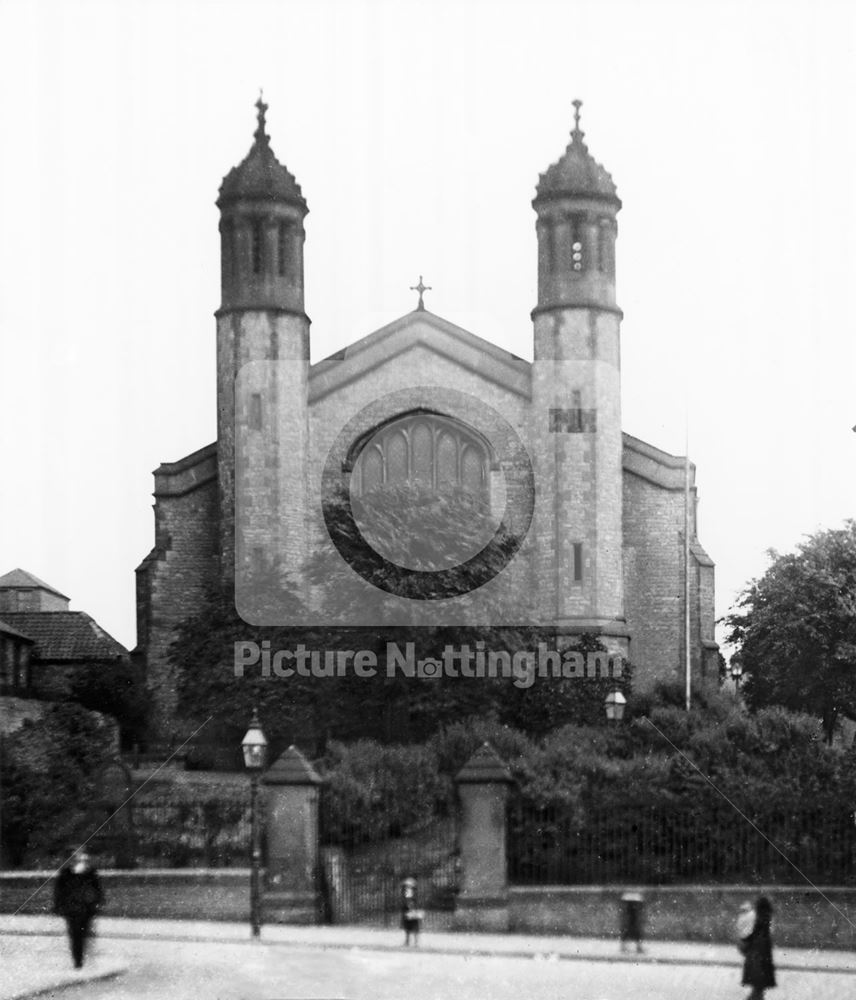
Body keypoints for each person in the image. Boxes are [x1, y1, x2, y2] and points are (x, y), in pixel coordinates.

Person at [53, 850, 104, 969]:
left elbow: (97, 890)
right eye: (75, 858)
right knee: (75, 936)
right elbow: (59, 892)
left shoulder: (90, 873)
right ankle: (78, 961)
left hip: (86, 909)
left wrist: (97, 903)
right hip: (72, 910)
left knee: (83, 934)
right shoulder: (65, 873)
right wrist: (59, 906)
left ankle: (81, 959)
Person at [741, 895, 776, 999]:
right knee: (763, 969)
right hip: (765, 946)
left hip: (756, 946)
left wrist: (745, 940)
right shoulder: (769, 916)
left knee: (755, 969)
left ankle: (756, 994)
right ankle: (758, 994)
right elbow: (770, 932)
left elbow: (752, 931)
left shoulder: (757, 916)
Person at [401, 876, 423, 947]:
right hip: (411, 909)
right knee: (412, 926)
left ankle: (410, 942)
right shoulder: (412, 890)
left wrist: (410, 908)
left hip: (410, 910)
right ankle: (413, 942)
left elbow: (409, 900)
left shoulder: (409, 890)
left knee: (410, 926)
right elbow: (410, 900)